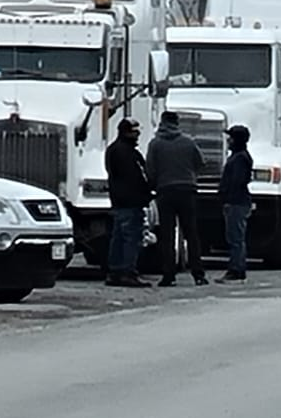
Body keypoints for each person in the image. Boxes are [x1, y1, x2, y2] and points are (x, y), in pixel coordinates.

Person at [146, 110, 208, 286]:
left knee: (167, 234)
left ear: (162, 122)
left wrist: (153, 185)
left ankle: (168, 275)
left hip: (165, 190)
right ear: (177, 123)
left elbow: (150, 169)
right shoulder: (188, 142)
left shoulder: (155, 144)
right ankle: (198, 274)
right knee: (191, 233)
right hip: (187, 189)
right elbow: (201, 163)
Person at [104, 118, 151, 287]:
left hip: (117, 201)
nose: (137, 135)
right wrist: (147, 193)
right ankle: (127, 272)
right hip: (131, 202)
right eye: (135, 132)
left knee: (118, 237)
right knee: (131, 238)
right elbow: (137, 177)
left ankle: (114, 272)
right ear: (127, 132)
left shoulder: (112, 150)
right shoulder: (129, 154)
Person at [218, 124, 253, 283]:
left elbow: (236, 182)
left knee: (236, 238)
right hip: (239, 201)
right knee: (235, 237)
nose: (229, 140)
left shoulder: (239, 158)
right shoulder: (241, 156)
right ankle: (237, 268)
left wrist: (227, 198)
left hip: (236, 202)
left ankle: (236, 269)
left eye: (231, 137)